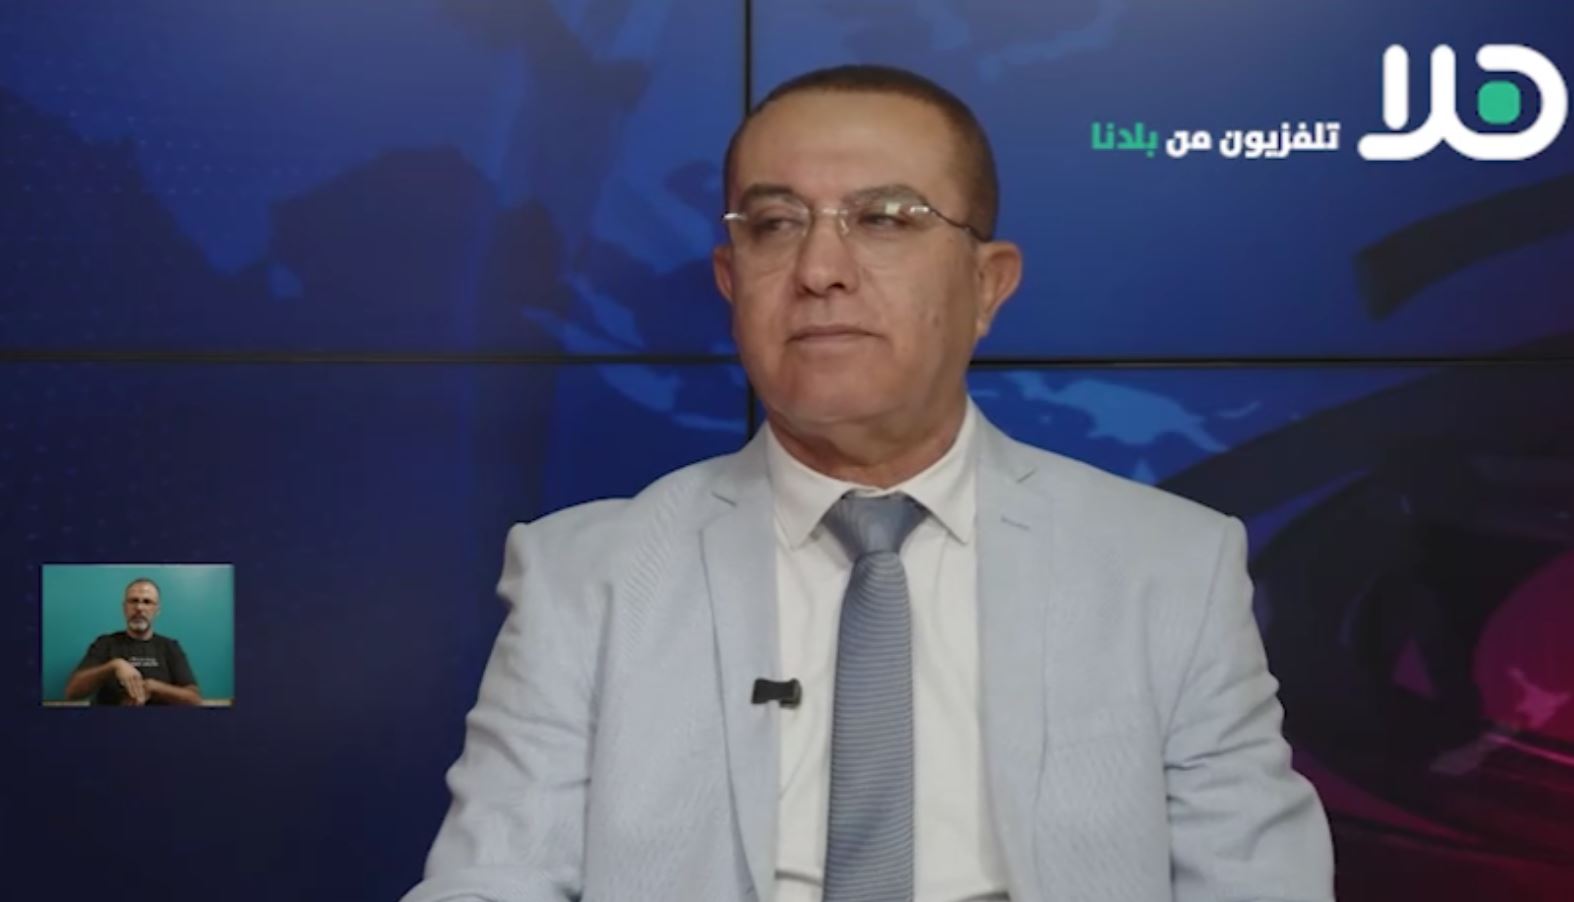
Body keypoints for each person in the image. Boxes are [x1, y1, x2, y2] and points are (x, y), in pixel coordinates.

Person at [404, 64, 1333, 902]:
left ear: (988, 284)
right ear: (730, 279)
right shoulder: (586, 578)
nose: (818, 270)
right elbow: (491, 882)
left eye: (886, 218)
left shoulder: (1167, 567)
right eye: (775, 225)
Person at [65, 577, 201, 706]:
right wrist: (113, 666)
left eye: (147, 602)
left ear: (157, 610)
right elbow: (72, 692)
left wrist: (154, 687)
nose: (139, 608)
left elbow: (194, 699)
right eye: (133, 601)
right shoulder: (105, 643)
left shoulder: (170, 646)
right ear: (124, 607)